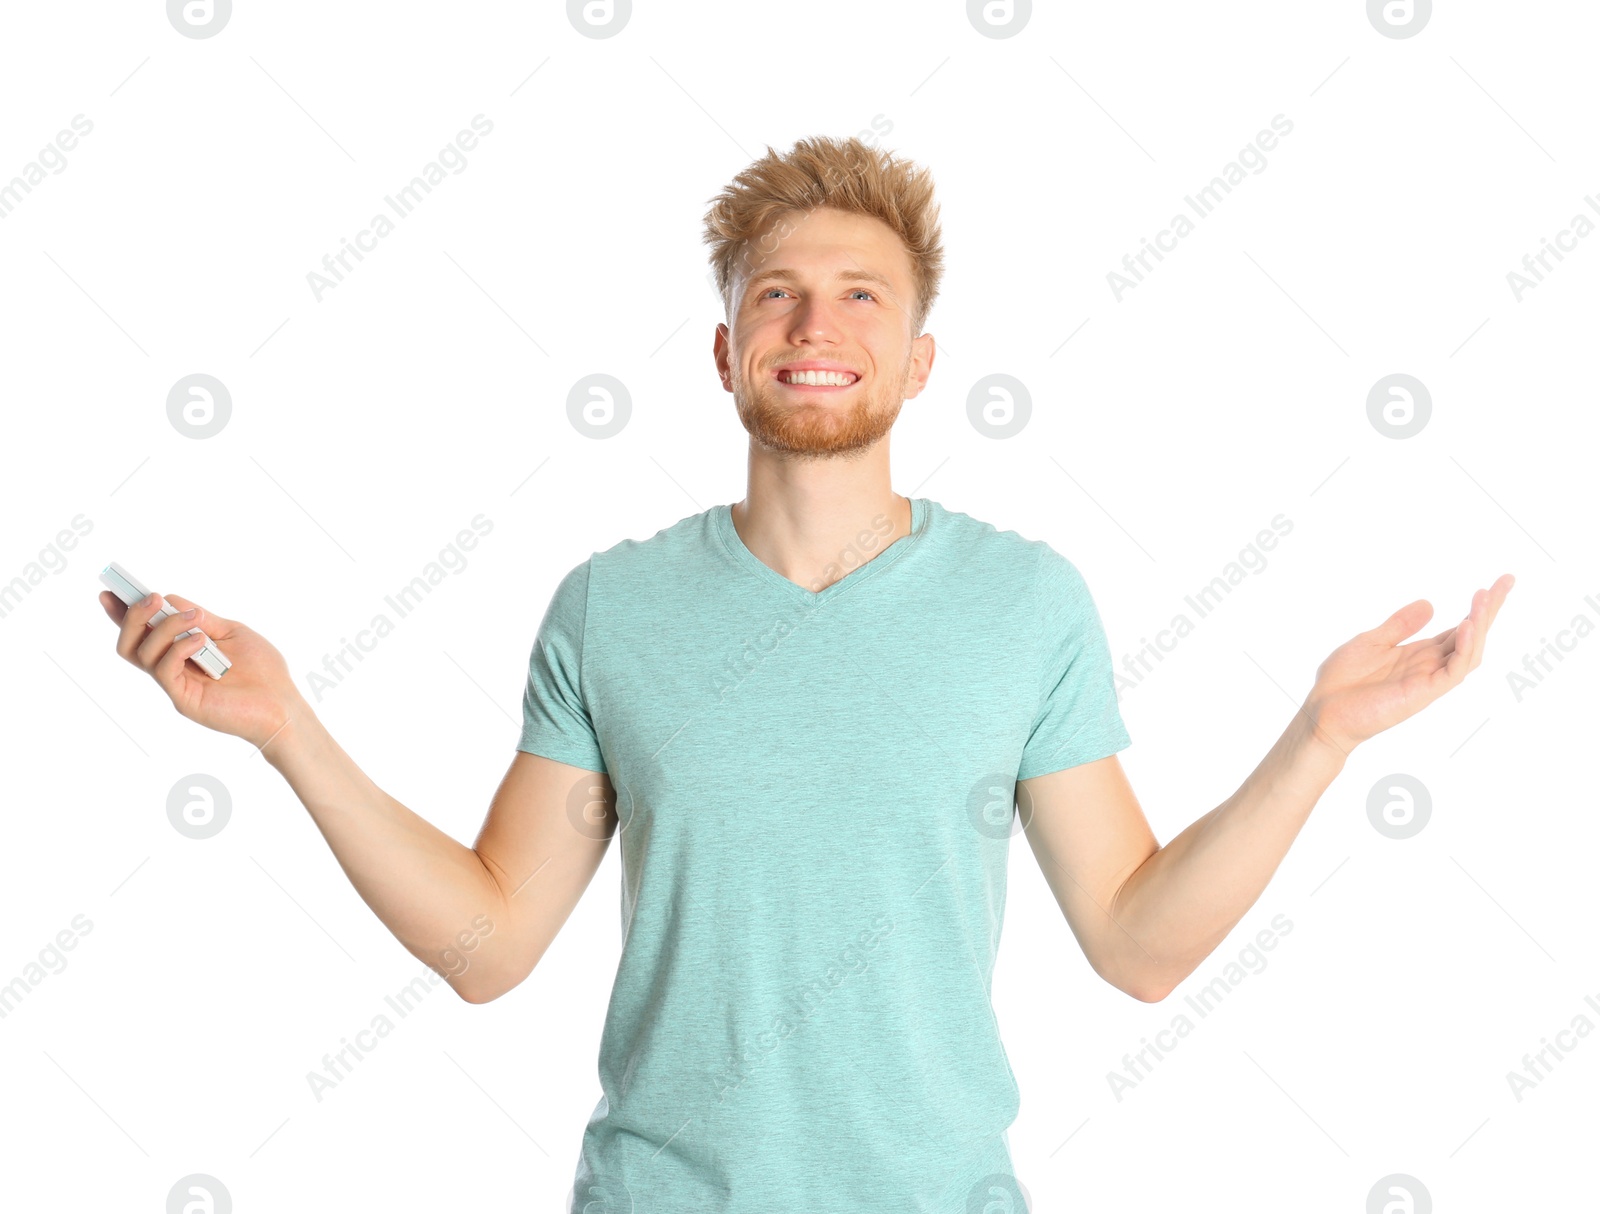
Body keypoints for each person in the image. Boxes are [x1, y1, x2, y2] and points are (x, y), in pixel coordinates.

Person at [100, 134, 1514, 1213]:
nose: (814, 327)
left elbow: (1139, 944)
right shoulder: (611, 606)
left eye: (858, 297)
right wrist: (287, 727)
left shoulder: (1027, 602)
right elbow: (490, 946)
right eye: (776, 297)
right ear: (727, 354)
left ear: (917, 360)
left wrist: (1321, 737)